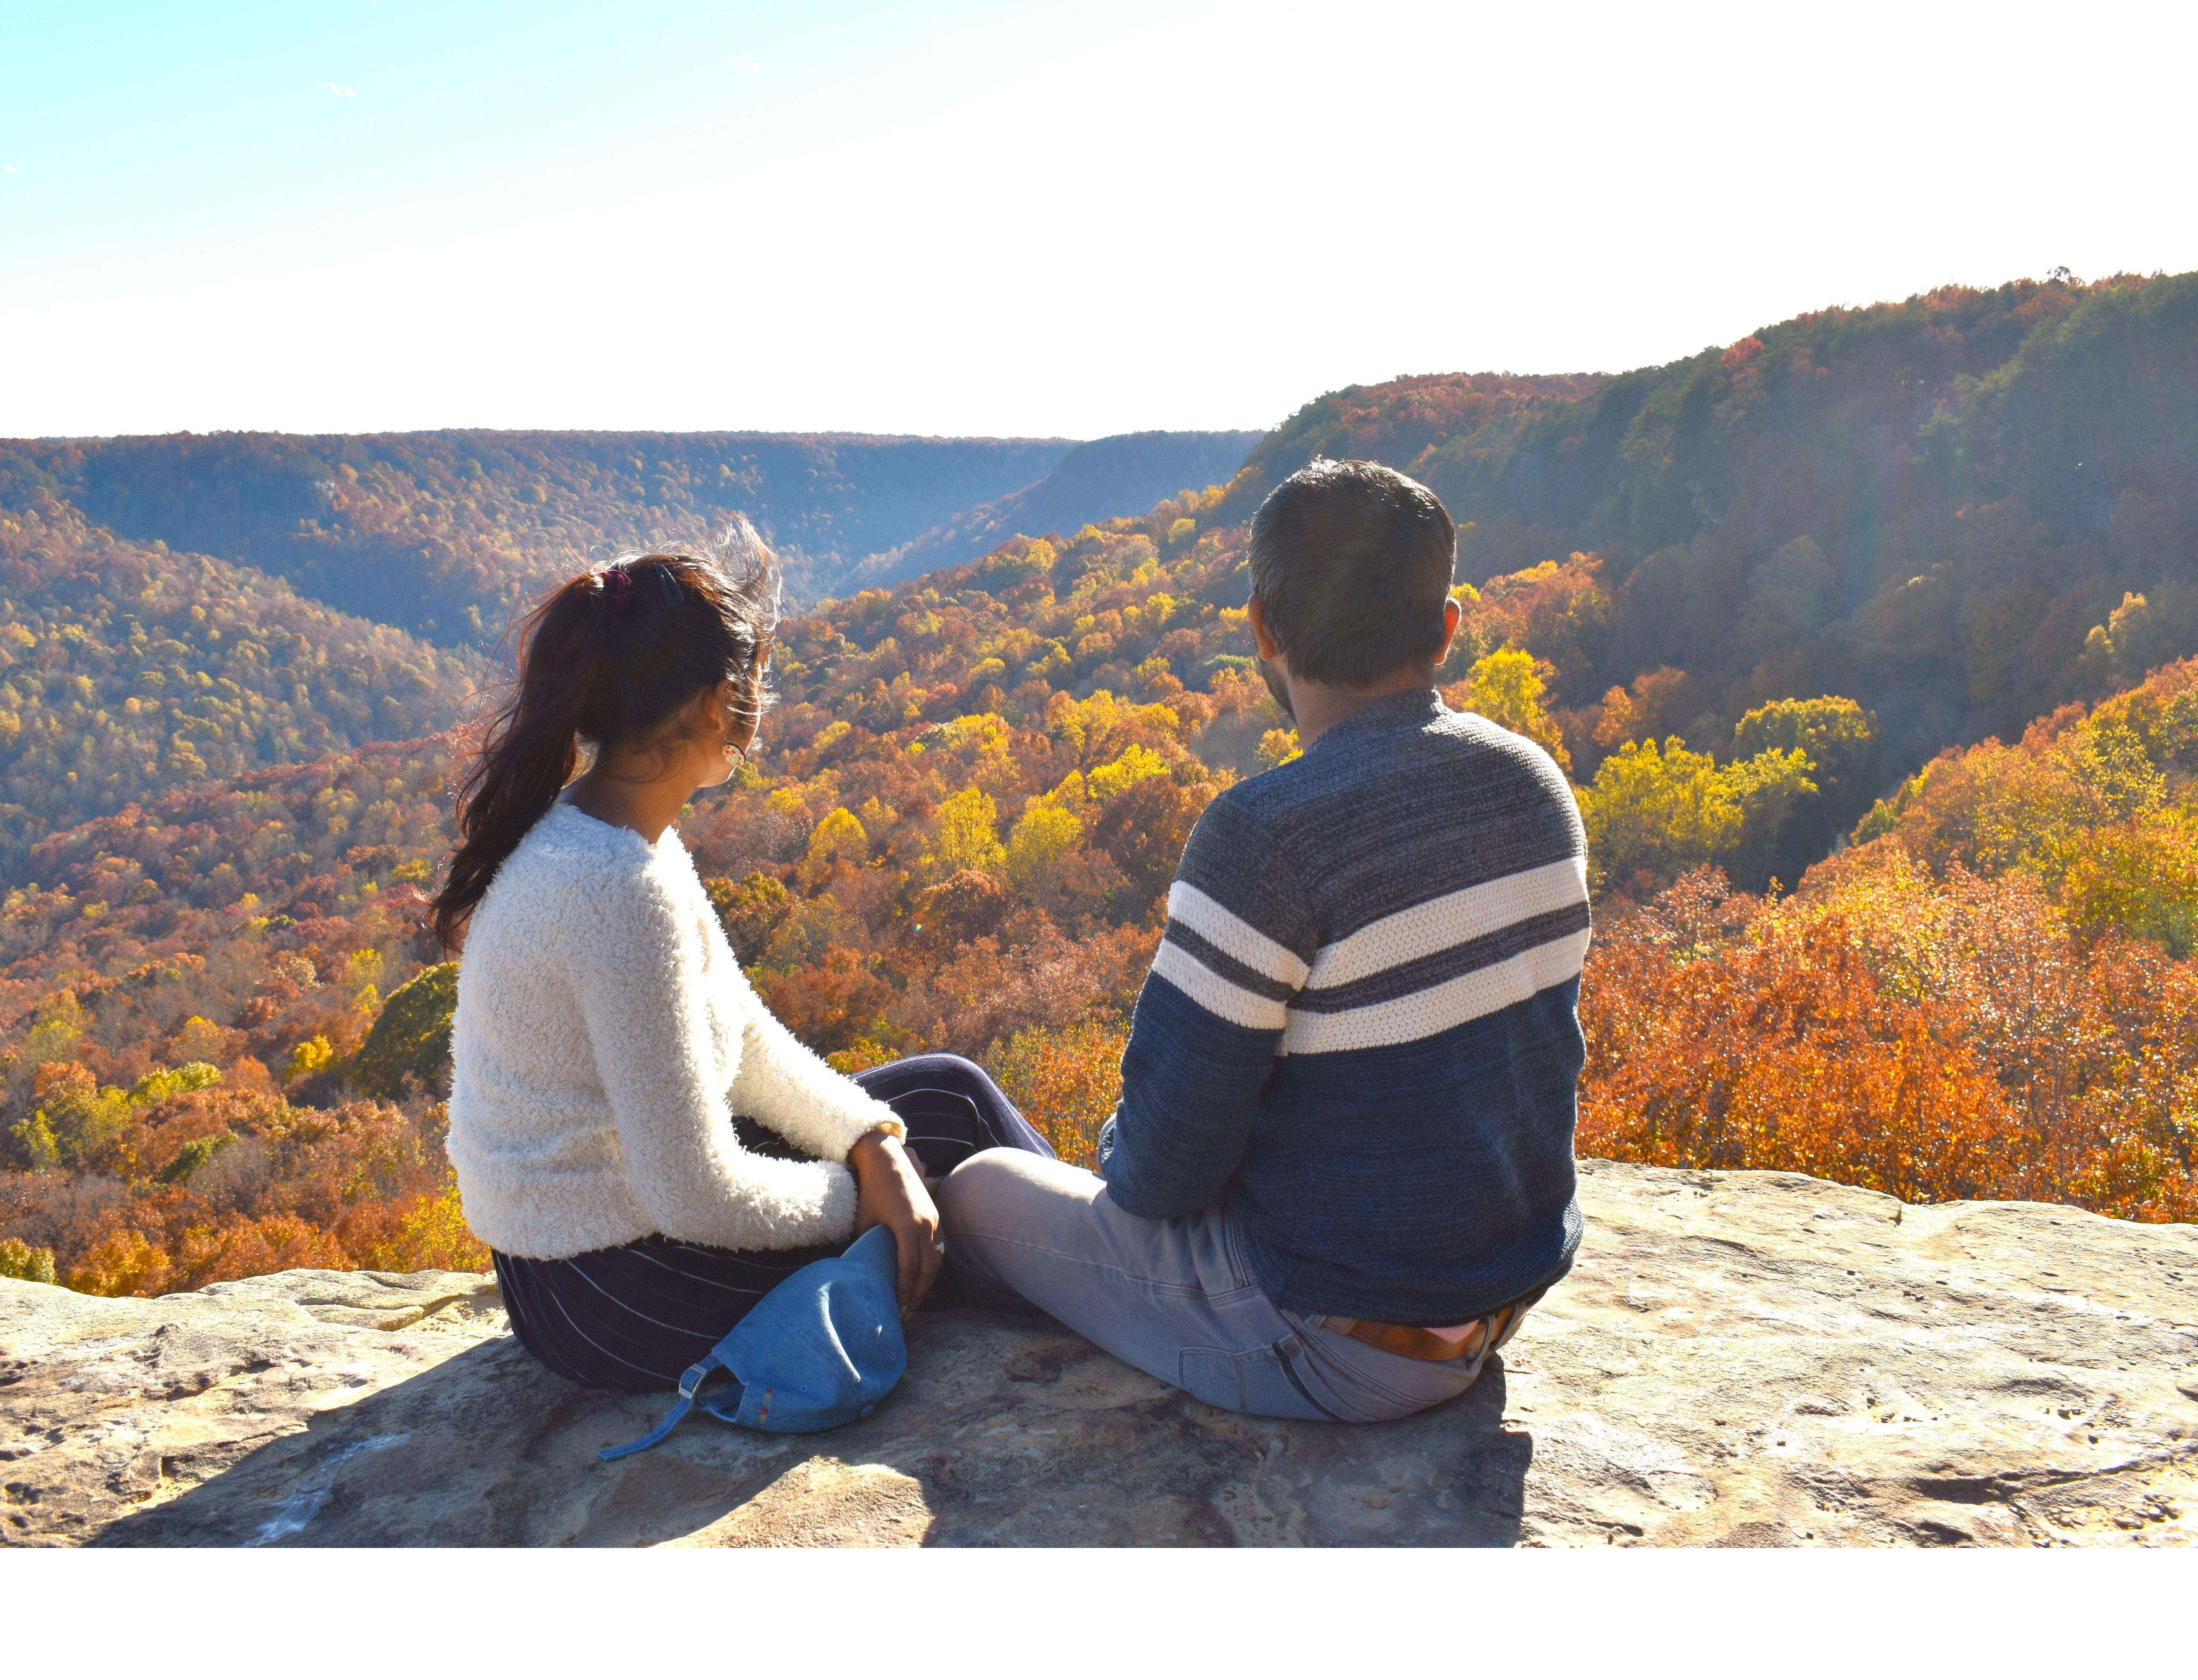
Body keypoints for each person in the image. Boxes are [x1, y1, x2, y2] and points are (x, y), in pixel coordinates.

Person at [937, 459, 1589, 1423]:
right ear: (1446, 626)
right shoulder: (1534, 785)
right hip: (1495, 1300)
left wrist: (1126, 1153)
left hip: (1330, 1338)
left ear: (1261, 631)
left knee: (977, 1190)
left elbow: (1160, 1171)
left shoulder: (1267, 832)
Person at [436, 530, 1052, 1394]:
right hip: (604, 1286)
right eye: (758, 678)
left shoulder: (620, 834)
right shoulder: (614, 889)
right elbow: (695, 1193)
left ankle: (1112, 1254)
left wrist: (872, 1146)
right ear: (721, 700)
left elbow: (749, 1042)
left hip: (603, 1235)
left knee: (945, 1096)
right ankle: (1133, 1278)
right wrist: (866, 1198)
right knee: (944, 1223)